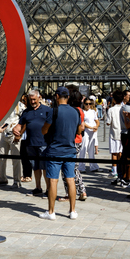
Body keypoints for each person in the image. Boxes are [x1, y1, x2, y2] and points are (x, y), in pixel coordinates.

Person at [39, 87, 83, 220]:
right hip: (70, 150)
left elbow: (44, 131)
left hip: (55, 150)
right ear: (68, 97)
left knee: (53, 180)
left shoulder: (54, 111)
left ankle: (51, 212)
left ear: (57, 97)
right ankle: (73, 211)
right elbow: (80, 130)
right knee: (70, 180)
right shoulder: (75, 111)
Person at [13, 90, 53, 197]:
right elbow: (19, 125)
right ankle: (38, 187)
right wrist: (15, 130)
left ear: (39, 97)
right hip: (31, 143)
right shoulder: (26, 112)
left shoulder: (47, 110)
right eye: (30, 100)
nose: (33, 101)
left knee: (44, 167)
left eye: (34, 99)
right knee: (35, 167)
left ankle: (49, 189)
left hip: (44, 143)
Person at [0, 101, 22, 187]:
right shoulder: (3, 103)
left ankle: (17, 181)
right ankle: (2, 178)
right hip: (3, 134)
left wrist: (20, 133)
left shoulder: (20, 105)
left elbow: (24, 119)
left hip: (14, 135)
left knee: (16, 158)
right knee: (2, 157)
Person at [105, 91, 124, 182]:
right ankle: (121, 170)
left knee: (114, 153)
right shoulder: (124, 108)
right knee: (120, 152)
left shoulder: (111, 109)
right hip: (123, 132)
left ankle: (114, 171)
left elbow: (108, 122)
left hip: (114, 133)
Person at [78, 96, 99, 173]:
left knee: (91, 149)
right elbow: (83, 122)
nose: (88, 105)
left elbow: (97, 121)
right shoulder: (82, 112)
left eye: (89, 103)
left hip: (92, 131)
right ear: (83, 104)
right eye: (86, 104)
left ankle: (93, 166)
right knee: (83, 148)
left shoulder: (93, 111)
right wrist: (91, 127)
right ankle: (81, 167)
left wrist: (96, 126)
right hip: (86, 131)